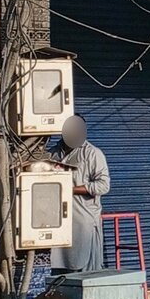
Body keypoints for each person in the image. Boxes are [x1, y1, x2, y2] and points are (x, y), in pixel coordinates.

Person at [50, 114, 111, 273]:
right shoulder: (53, 153)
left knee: (85, 273)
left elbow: (103, 186)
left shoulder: (92, 154)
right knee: (60, 272)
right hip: (59, 223)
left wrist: (71, 190)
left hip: (83, 224)